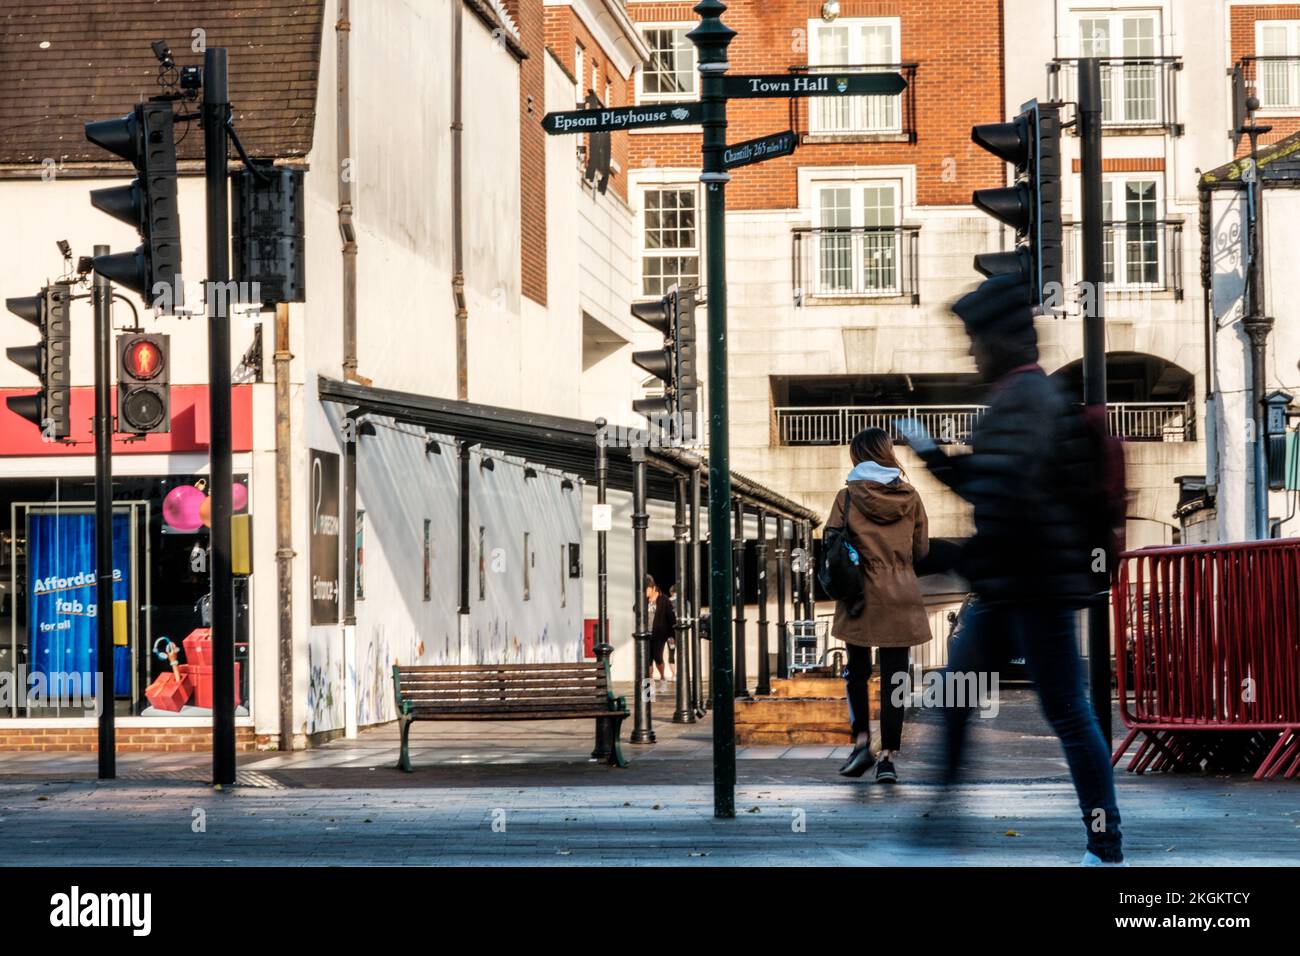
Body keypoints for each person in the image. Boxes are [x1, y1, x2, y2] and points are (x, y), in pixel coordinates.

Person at [896, 272, 1125, 865]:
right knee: (958, 697)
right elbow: (992, 488)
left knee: (1069, 714)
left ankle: (1105, 844)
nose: (970, 352)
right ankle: (939, 830)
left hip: (1031, 586)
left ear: (1002, 340)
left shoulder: (1022, 403)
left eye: (975, 339)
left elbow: (1004, 498)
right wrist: (930, 454)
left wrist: (949, 554)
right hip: (1014, 585)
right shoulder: (1023, 399)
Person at [826, 427, 930, 785]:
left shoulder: (847, 497)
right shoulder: (911, 497)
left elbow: (832, 545)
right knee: (895, 679)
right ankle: (888, 759)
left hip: (858, 594)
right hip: (900, 595)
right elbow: (921, 552)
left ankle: (861, 742)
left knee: (856, 671)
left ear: (857, 455)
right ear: (887, 453)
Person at [645, 575, 675, 694]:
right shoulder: (643, 600)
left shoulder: (664, 600)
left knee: (658, 657)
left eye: (647, 589)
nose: (645, 592)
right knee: (647, 660)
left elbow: (671, 618)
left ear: (653, 588)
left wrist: (672, 635)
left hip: (660, 634)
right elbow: (635, 608)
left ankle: (663, 677)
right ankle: (649, 688)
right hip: (646, 634)